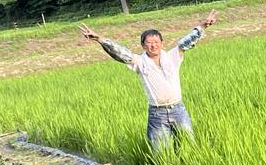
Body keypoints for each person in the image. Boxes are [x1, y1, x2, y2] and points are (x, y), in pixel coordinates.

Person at [78, 11, 216, 150]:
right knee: (161, 153)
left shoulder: (172, 56)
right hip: (157, 115)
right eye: (149, 43)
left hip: (178, 110)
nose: (153, 45)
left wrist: (203, 25)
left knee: (189, 148)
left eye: (156, 42)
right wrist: (100, 39)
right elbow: (120, 53)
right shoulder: (139, 61)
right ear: (143, 45)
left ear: (162, 43)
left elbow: (187, 41)